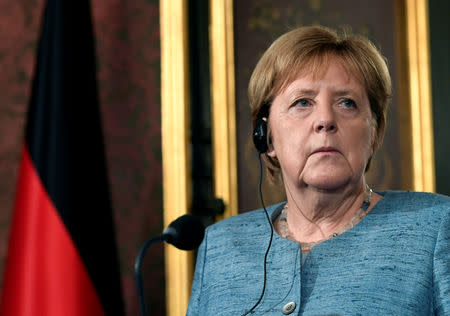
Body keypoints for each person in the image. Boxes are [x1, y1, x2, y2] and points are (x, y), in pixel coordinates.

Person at [186, 25, 450, 315]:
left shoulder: (436, 228)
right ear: (266, 136)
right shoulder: (220, 247)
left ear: (375, 132)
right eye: (302, 102)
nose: (325, 119)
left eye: (347, 103)